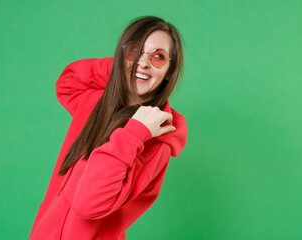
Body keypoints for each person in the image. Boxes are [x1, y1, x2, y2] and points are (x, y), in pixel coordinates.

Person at [29, 16, 187, 240]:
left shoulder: (154, 140)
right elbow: (68, 82)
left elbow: (89, 204)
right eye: (135, 51)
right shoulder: (96, 104)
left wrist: (135, 133)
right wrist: (122, 68)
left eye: (158, 57)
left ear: (170, 71)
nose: (143, 62)